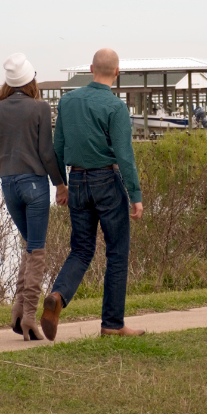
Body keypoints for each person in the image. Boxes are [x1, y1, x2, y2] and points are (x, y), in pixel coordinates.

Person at [42, 48, 145, 340]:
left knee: (81, 249)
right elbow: (124, 155)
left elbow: (56, 148)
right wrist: (135, 195)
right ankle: (112, 324)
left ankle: (58, 296)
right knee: (116, 252)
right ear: (117, 72)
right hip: (107, 181)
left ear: (90, 68)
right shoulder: (115, 107)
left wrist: (60, 185)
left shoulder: (68, 101)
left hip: (76, 180)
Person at [0, 53, 67, 340]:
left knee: (29, 249)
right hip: (34, 185)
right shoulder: (40, 108)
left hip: (8, 185)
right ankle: (30, 318)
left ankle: (19, 312)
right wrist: (60, 184)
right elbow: (46, 152)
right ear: (31, 79)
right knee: (36, 250)